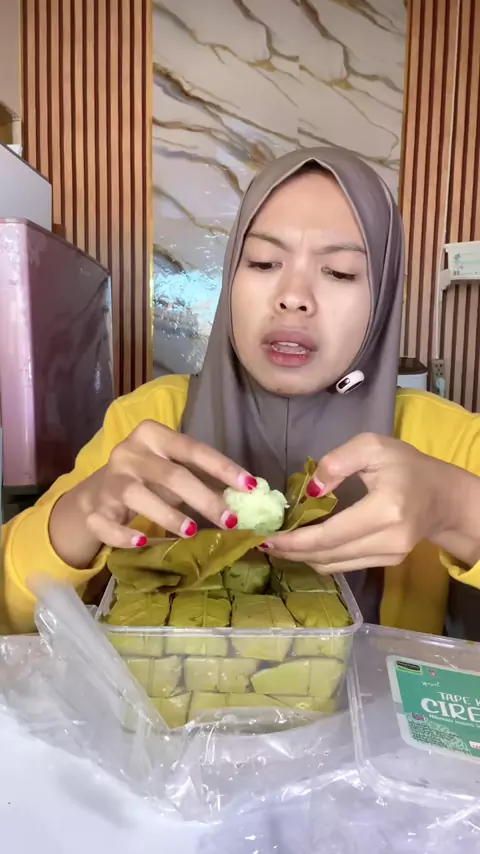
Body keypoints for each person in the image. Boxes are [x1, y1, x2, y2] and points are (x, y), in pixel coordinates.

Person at [2, 147, 480, 635]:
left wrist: (455, 507)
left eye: (339, 271)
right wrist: (83, 512)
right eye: (264, 262)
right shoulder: (151, 421)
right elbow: (11, 614)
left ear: (384, 296)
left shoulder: (447, 439)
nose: (292, 297)